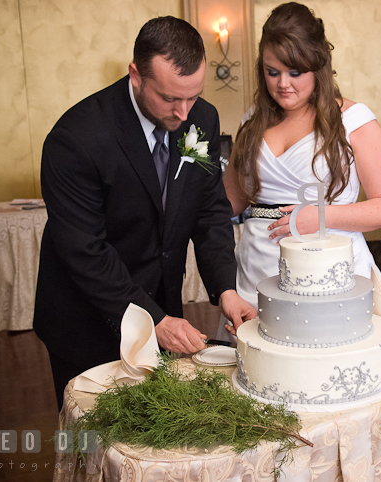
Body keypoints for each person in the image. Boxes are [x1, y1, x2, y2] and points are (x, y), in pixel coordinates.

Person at [34, 16, 256, 409]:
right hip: (88, 319)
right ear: (135, 74)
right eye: (170, 98)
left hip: (160, 306)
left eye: (193, 96)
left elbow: (208, 211)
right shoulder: (77, 139)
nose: (184, 113)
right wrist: (152, 319)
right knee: (97, 442)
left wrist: (226, 288)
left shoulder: (199, 121)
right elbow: (85, 251)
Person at [218, 2, 381, 339]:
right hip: (255, 266)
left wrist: (320, 216)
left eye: (295, 72)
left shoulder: (353, 120)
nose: (282, 84)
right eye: (272, 72)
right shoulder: (252, 120)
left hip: (327, 269)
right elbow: (230, 200)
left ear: (317, 65)